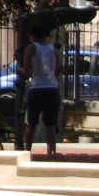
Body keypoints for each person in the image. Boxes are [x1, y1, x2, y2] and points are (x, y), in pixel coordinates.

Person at [19, 26, 62, 156]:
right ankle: (51, 154)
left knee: (31, 124)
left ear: (32, 35)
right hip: (52, 89)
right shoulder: (53, 49)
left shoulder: (30, 48)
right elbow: (61, 69)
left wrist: (18, 69)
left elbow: (26, 70)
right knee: (50, 125)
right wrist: (50, 75)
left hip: (36, 90)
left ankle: (27, 152)